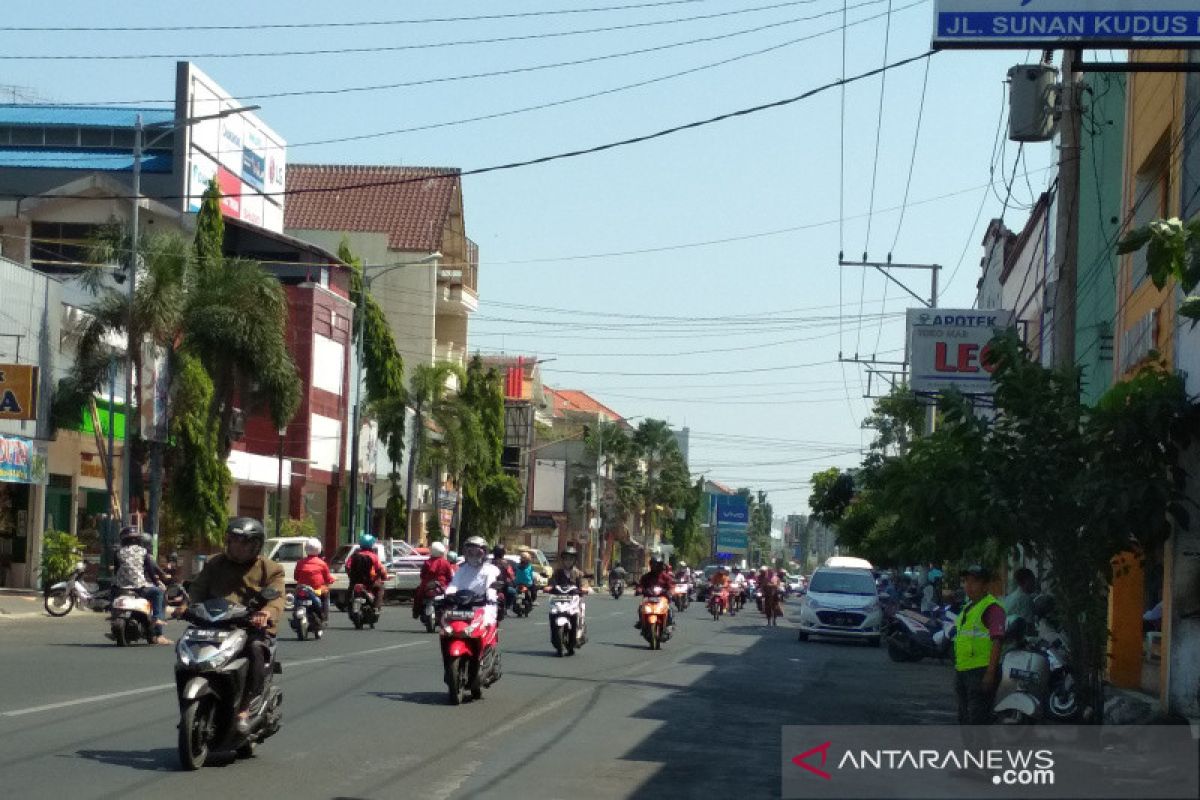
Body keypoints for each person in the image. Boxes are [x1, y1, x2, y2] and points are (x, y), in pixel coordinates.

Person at [177, 517, 285, 732]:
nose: (238, 547)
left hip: (251, 625)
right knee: (184, 647)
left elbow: (277, 598)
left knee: (255, 650)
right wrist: (186, 605)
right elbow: (198, 588)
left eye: (244, 543)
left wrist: (266, 613)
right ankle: (187, 708)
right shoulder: (215, 563)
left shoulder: (270, 568)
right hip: (214, 622)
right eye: (234, 541)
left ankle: (245, 707)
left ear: (256, 545)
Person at [954, 565, 1006, 725]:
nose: (968, 586)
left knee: (977, 720)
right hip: (963, 670)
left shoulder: (992, 608)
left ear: (985, 586)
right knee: (965, 719)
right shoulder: (968, 607)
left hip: (981, 671)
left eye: (974, 582)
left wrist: (990, 673)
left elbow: (997, 640)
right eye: (966, 581)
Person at [113, 527, 170, 644]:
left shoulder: (118, 552)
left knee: (112, 596)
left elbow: (116, 570)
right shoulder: (144, 553)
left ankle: (113, 615)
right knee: (158, 592)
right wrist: (157, 583)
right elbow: (150, 571)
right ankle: (158, 624)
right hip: (139, 588)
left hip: (120, 589)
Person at [293, 537, 334, 622]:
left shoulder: (300, 562)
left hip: (301, 590)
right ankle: (324, 616)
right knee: (326, 592)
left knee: (295, 598)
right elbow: (328, 579)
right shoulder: (322, 563)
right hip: (316, 591)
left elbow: (296, 577)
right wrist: (331, 580)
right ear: (319, 549)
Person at [414, 541, 456, 619]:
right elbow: (449, 576)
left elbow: (422, 575)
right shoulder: (445, 563)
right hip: (442, 585)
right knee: (450, 597)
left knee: (418, 595)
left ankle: (416, 612)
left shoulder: (428, 562)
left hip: (427, 584)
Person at [346, 533, 388, 612]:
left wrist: (351, 577)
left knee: (349, 593)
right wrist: (379, 577)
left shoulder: (354, 556)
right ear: (372, 545)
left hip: (355, 582)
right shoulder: (373, 556)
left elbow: (347, 567)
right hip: (369, 582)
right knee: (380, 589)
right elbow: (380, 569)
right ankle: (376, 607)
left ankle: (349, 607)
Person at [635, 551, 675, 629]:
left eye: (657, 565)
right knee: (641, 608)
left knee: (669, 609)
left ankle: (669, 624)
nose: (655, 566)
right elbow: (640, 585)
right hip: (649, 597)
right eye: (653, 564)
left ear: (661, 566)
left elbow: (671, 587)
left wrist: (670, 592)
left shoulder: (666, 577)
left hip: (662, 598)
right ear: (651, 565)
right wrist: (639, 590)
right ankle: (641, 622)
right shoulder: (646, 577)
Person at [492, 544, 516, 613]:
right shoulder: (505, 563)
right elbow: (511, 574)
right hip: (502, 585)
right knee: (513, 593)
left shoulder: (489, 562)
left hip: (493, 585)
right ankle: (507, 607)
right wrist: (514, 583)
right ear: (503, 553)